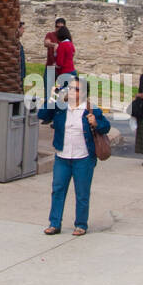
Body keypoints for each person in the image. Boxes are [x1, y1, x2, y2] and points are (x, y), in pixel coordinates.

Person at [39, 74, 111, 236]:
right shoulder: (60, 107)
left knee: (82, 193)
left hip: (83, 158)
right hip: (62, 156)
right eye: (70, 88)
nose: (71, 91)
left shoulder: (91, 109)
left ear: (83, 93)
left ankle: (81, 224)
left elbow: (106, 127)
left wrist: (96, 123)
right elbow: (42, 115)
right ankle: (54, 223)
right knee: (58, 189)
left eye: (75, 89)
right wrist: (52, 97)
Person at [43, 18, 68, 106]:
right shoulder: (50, 35)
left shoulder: (66, 39)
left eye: (61, 27)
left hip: (61, 69)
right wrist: (55, 45)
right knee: (48, 90)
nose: (58, 29)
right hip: (50, 67)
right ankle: (47, 109)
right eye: (57, 27)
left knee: (62, 92)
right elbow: (46, 43)